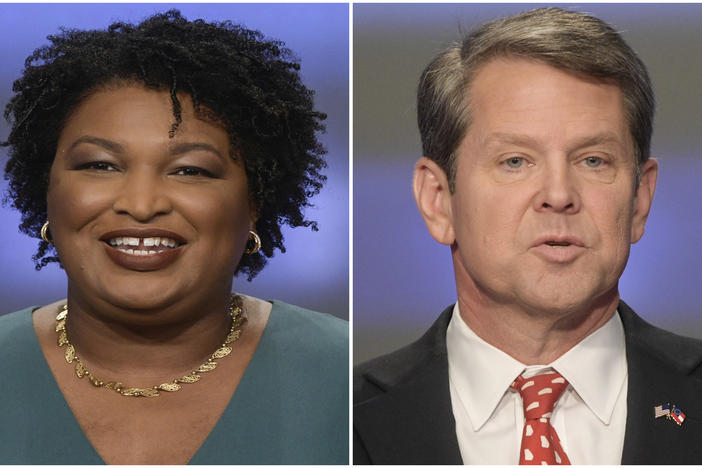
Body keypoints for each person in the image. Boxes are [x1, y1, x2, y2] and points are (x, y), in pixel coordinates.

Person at [354, 7, 702, 465]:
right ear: (438, 200)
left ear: (640, 198)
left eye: (593, 160)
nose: (558, 195)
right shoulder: (340, 419)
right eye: (515, 161)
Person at [0, 10, 347, 464]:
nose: (142, 205)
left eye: (190, 170)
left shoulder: (345, 377)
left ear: (254, 203)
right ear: (47, 190)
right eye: (100, 165)